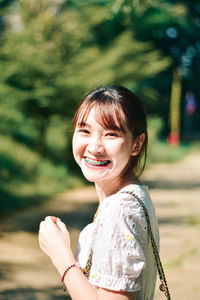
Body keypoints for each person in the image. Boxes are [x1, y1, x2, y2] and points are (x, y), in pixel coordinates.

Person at [39, 85, 159, 300]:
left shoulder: (120, 209)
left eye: (111, 134)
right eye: (84, 131)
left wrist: (60, 254)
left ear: (136, 144)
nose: (94, 147)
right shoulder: (136, 195)